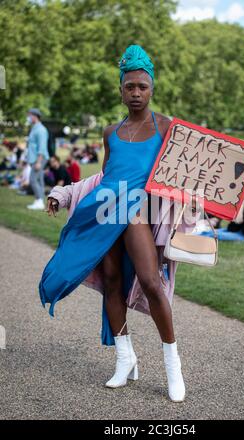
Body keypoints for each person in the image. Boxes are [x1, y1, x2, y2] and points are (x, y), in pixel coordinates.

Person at [40, 45, 198, 403]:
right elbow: (104, 178)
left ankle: (172, 363)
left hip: (137, 211)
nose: (137, 93)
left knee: (150, 281)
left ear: (152, 87)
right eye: (130, 87)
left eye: (143, 86)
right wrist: (63, 194)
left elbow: (183, 174)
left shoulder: (167, 126)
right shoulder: (111, 131)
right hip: (103, 210)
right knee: (111, 282)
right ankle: (125, 358)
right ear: (121, 90)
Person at [26, 108, 49, 210]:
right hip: (34, 158)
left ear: (35, 116)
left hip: (39, 158)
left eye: (30, 115)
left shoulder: (41, 130)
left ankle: (40, 201)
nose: (29, 117)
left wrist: (39, 162)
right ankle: (39, 200)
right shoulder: (35, 128)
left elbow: (42, 147)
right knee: (39, 180)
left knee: (33, 180)